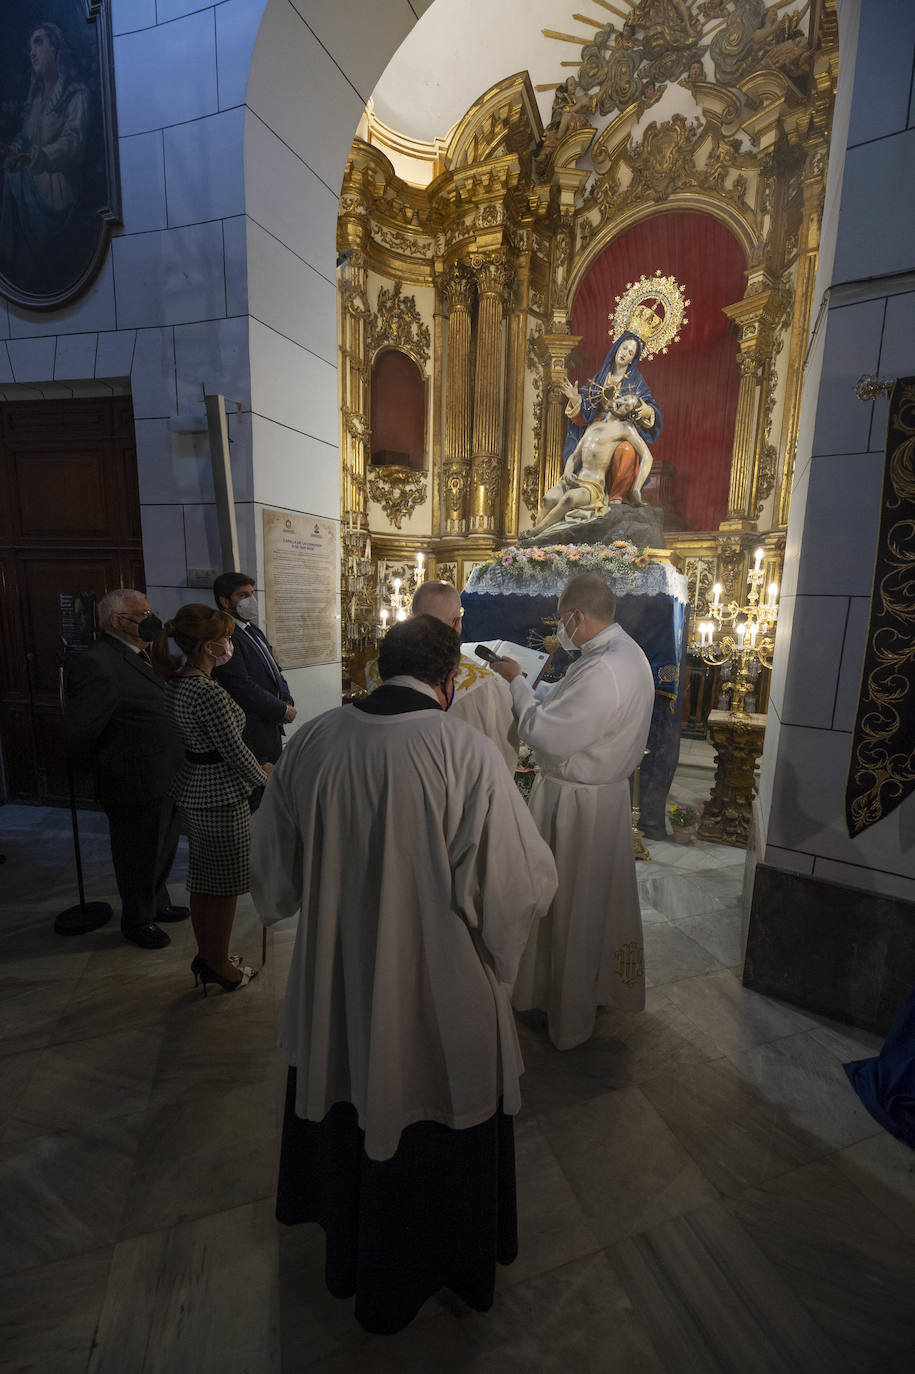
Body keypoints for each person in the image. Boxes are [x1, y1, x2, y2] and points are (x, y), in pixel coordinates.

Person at [249, 615, 557, 1333]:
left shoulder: (318, 738)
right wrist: (503, 957)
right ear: (450, 679)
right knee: (433, 1095)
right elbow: (514, 886)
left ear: (376, 669)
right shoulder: (465, 749)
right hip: (433, 982)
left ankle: (347, 1237)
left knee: (347, 1088)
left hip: (339, 982)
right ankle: (439, 1259)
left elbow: (273, 872)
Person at [491, 573, 654, 1051]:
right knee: (591, 906)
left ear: (577, 617)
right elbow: (568, 709)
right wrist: (536, 692)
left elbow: (550, 734)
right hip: (598, 800)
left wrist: (518, 682)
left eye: (563, 621)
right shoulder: (619, 653)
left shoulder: (604, 669)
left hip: (578, 806)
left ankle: (568, 1013)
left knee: (570, 907)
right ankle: (592, 991)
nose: (560, 630)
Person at [152, 605, 270, 992]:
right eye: (227, 640)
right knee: (223, 890)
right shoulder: (207, 692)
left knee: (203, 882)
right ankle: (219, 964)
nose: (231, 645)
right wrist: (264, 778)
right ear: (208, 646)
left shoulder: (174, 682)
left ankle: (206, 955)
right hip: (220, 794)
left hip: (194, 787)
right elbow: (232, 750)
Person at [63, 589, 187, 950]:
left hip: (164, 773)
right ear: (118, 621)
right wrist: (106, 772)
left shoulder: (141, 655)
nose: (151, 618)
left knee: (161, 847)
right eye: (142, 612)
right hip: (133, 779)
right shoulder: (98, 662)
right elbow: (81, 729)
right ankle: (138, 921)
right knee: (138, 855)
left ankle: (157, 904)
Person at [364, 580, 519, 770]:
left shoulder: (376, 668)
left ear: (413, 618)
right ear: (456, 623)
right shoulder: (484, 684)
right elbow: (503, 755)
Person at [0, 23, 92, 295]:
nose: (33, 52)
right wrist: (13, 151)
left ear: (56, 48)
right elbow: (26, 141)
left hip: (56, 201)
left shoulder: (78, 95)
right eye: (30, 47)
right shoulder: (35, 101)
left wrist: (38, 156)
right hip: (29, 197)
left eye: (39, 43)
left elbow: (73, 143)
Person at [212, 572, 294, 806]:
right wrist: (279, 709)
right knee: (257, 799)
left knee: (273, 794)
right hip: (251, 729)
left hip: (270, 726)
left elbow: (275, 670)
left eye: (252, 594)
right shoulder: (226, 636)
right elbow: (241, 686)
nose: (251, 600)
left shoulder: (251, 630)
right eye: (243, 595)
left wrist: (286, 700)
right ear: (225, 601)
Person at [526, 392, 654, 537]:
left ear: (627, 414)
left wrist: (636, 489)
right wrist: (568, 472)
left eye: (627, 407)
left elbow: (647, 456)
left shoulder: (624, 429)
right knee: (547, 499)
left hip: (593, 487)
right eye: (623, 399)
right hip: (575, 480)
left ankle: (536, 532)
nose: (622, 404)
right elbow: (575, 456)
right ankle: (534, 543)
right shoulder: (594, 425)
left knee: (569, 499)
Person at [560, 330, 662, 478]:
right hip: (596, 428)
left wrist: (647, 411)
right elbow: (585, 414)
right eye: (624, 348)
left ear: (632, 359)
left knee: (626, 451)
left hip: (619, 431)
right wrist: (575, 399)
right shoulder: (601, 377)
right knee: (585, 448)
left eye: (630, 352)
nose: (625, 353)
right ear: (617, 348)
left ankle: (616, 496)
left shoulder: (637, 382)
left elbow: (648, 406)